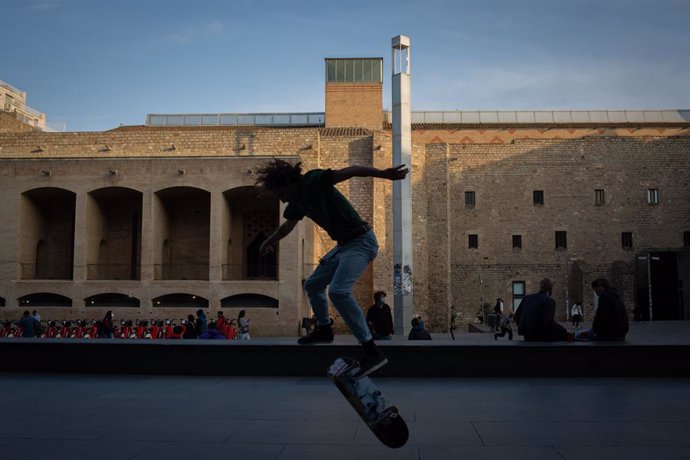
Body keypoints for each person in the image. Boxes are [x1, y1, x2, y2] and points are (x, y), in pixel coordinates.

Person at [257, 159, 409, 377]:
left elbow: (353, 170)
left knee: (338, 291)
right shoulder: (297, 203)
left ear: (289, 183)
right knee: (313, 284)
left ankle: (372, 351)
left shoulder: (314, 180)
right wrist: (268, 241)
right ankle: (325, 329)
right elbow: (286, 227)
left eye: (281, 193)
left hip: (361, 241)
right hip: (343, 246)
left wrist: (385, 174)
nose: (281, 199)